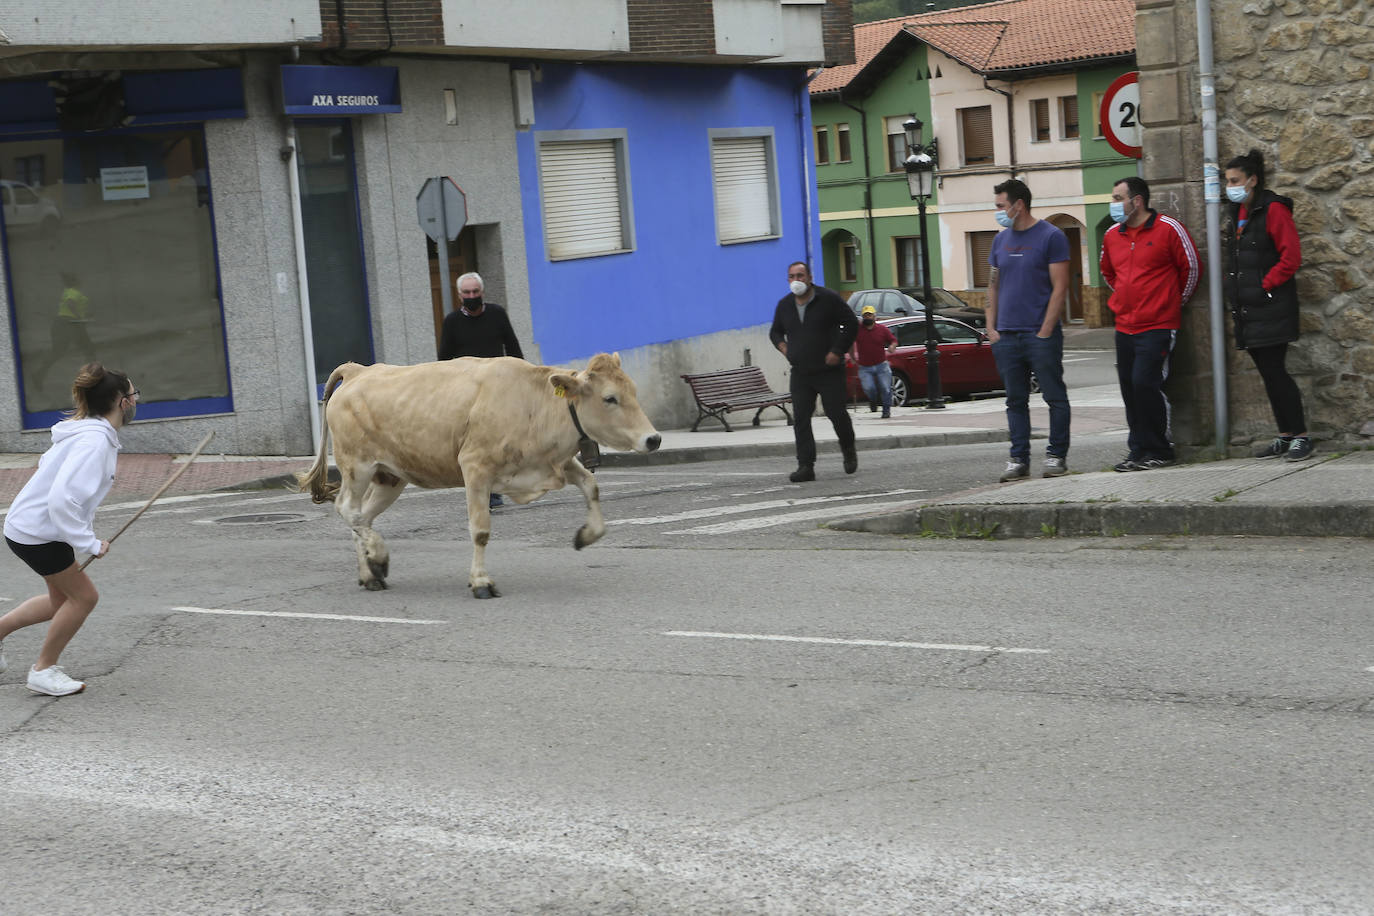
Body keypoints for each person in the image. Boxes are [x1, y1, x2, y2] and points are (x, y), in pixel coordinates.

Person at [0, 363, 138, 697]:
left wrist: (78, 536)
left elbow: (51, 474)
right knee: (84, 597)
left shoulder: (86, 432)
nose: (136, 400)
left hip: (34, 529)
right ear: (122, 402)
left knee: (60, 602)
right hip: (37, 533)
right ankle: (43, 669)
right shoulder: (93, 442)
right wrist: (88, 543)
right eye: (134, 394)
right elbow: (62, 499)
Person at [1099, 176, 1200, 472]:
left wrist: (1169, 303)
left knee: (1146, 383)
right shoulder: (1111, 235)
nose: (1114, 204)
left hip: (1157, 324)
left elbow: (1191, 268)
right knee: (1130, 388)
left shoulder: (1169, 229)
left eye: (1118, 198)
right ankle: (1138, 450)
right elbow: (1108, 272)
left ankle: (1160, 449)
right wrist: (1125, 298)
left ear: (1137, 201)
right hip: (1124, 325)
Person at [1223, 149, 1312, 462]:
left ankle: (1300, 436)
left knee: (1276, 373)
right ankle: (1285, 435)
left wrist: (1264, 286)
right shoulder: (1238, 213)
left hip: (1270, 306)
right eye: (1227, 180)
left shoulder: (1273, 210)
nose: (1229, 186)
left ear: (1252, 180)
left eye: (1234, 180)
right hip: (1250, 310)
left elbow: (1291, 257)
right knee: (1268, 374)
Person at [985, 178, 1072, 482]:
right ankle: (1018, 459)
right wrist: (990, 326)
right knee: (1015, 400)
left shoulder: (1051, 236)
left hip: (1039, 334)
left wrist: (1046, 329)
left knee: (1054, 396)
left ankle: (1056, 456)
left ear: (1018, 205)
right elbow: (993, 284)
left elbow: (1060, 287)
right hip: (1006, 335)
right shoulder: (999, 241)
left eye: (1000, 205)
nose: (997, 211)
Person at [437, 272, 524, 507]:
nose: (472, 296)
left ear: (482, 292)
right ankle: (484, 488)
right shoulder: (452, 322)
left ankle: (495, 488)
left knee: (498, 440)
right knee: (476, 443)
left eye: (475, 292)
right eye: (467, 293)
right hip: (468, 393)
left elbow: (513, 348)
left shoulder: (497, 314)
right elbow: (444, 360)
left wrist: (522, 379)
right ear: (459, 295)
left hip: (498, 389)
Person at [769, 261, 859, 482]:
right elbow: (775, 332)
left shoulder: (828, 299)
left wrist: (838, 350)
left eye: (800, 275)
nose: (796, 280)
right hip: (801, 371)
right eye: (791, 276)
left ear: (809, 277)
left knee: (836, 413)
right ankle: (805, 466)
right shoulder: (785, 305)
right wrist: (784, 347)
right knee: (800, 418)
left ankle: (848, 450)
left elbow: (851, 324)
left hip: (828, 369)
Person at [851, 304, 897, 418]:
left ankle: (886, 410)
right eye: (865, 315)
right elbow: (850, 344)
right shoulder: (858, 331)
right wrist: (852, 357)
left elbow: (893, 340)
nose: (868, 317)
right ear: (862, 317)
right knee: (869, 388)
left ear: (874, 317)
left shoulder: (882, 329)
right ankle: (873, 399)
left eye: (870, 315)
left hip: (881, 365)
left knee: (886, 388)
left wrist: (892, 346)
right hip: (864, 367)